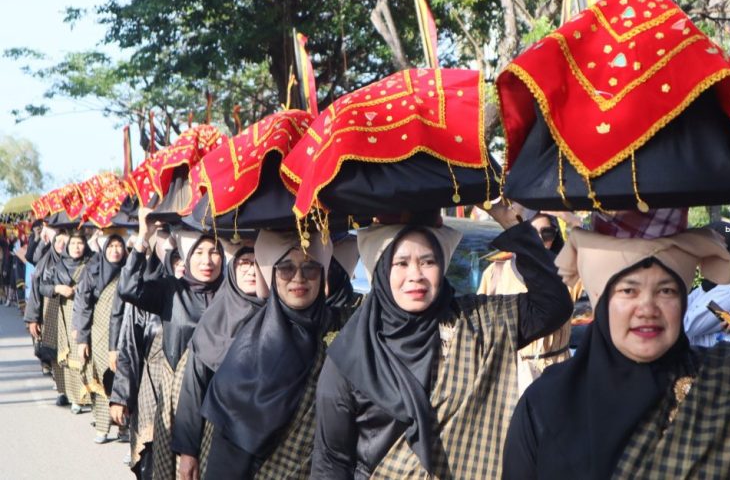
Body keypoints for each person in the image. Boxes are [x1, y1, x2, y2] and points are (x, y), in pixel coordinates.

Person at [310, 203, 573, 479]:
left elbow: (553, 306)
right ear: (381, 270)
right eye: (401, 263)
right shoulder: (351, 357)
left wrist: (513, 225)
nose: (416, 275)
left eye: (428, 261)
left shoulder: (477, 323)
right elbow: (331, 462)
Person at [502, 226, 730, 479]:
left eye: (666, 291)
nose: (647, 308)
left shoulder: (725, 383)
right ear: (602, 300)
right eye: (628, 290)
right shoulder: (545, 404)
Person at [200, 230, 343, 478]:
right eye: (286, 269)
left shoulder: (339, 331)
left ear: (322, 276)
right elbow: (229, 453)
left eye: (310, 269)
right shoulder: (250, 349)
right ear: (273, 276)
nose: (299, 278)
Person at [118, 207, 224, 480]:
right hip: (178, 404)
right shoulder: (172, 291)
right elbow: (129, 288)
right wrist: (144, 236)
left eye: (214, 252)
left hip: (220, 403)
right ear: (186, 256)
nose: (207, 261)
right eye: (198, 253)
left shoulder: (231, 295)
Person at [174, 242, 269, 480]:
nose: (250, 271)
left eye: (258, 264)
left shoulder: (279, 318)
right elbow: (193, 389)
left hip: (267, 446)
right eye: (244, 263)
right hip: (218, 438)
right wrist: (188, 451)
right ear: (232, 268)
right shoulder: (214, 321)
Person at [477, 213, 573, 393]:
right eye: (531, 233)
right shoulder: (495, 272)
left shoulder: (567, 274)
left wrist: (569, 218)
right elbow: (481, 327)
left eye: (547, 233)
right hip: (510, 375)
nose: (537, 240)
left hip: (557, 372)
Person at [111, 235, 180, 479]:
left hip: (189, 400)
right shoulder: (147, 294)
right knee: (152, 463)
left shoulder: (205, 295)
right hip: (152, 392)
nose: (172, 246)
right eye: (164, 239)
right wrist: (121, 396)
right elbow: (129, 346)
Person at [73, 234, 128, 443]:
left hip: (123, 333)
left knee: (121, 379)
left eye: (119, 246)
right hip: (98, 334)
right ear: (104, 249)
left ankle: (123, 427)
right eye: (111, 246)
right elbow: (83, 306)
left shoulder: (129, 271)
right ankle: (103, 426)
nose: (115, 250)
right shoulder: (93, 271)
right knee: (101, 378)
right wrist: (82, 339)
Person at [39, 230, 93, 413]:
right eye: (72, 244)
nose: (76, 248)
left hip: (85, 315)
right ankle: (67, 393)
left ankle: (83, 395)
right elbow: (42, 286)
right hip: (62, 315)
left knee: (83, 355)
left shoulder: (92, 264)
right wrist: (57, 288)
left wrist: (82, 288)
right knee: (64, 356)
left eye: (80, 243)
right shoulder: (58, 266)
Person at [684, 221, 730, 346]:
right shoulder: (706, 286)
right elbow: (680, 306)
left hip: (713, 362)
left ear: (728, 255)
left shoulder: (729, 291)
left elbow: (686, 325)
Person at [25, 228, 69, 393]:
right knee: (54, 351)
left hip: (70, 312)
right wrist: (33, 319)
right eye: (58, 241)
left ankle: (73, 391)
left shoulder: (76, 261)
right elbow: (35, 292)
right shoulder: (44, 262)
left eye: (65, 242)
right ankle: (61, 387)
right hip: (49, 312)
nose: (61, 245)